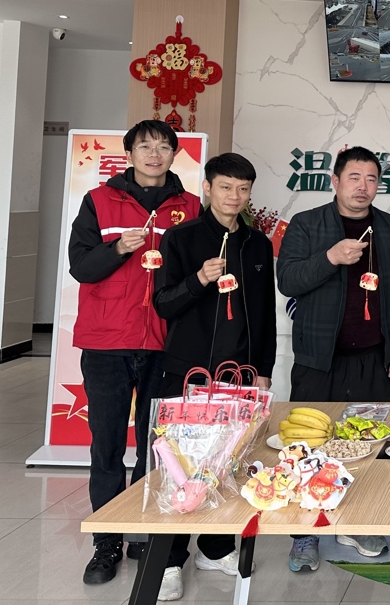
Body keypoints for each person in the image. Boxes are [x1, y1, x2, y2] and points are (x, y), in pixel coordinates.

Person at [71, 120, 201, 587]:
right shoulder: (99, 201)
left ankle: (147, 532)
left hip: (166, 343)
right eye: (145, 146)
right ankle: (106, 542)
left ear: (174, 155)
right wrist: (116, 249)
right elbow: (81, 267)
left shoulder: (191, 207)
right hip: (107, 341)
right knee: (107, 445)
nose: (154, 154)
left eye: (164, 147)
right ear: (128, 154)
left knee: (157, 447)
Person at [277, 146, 390, 571]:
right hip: (320, 359)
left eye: (372, 179)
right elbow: (288, 280)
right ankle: (304, 534)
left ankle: (355, 523)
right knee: (309, 447)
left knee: (369, 445)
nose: (363, 187)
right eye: (354, 177)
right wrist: (330, 258)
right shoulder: (307, 224)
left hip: (374, 358)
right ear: (335, 181)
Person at [152, 153, 276, 602]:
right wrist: (198, 280)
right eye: (225, 187)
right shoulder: (180, 238)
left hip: (238, 374)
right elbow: (163, 303)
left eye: (243, 189)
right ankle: (168, 561)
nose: (234, 197)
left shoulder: (257, 244)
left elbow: (265, 314)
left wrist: (263, 370)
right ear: (206, 188)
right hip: (189, 375)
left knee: (228, 464)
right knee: (179, 468)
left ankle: (216, 547)